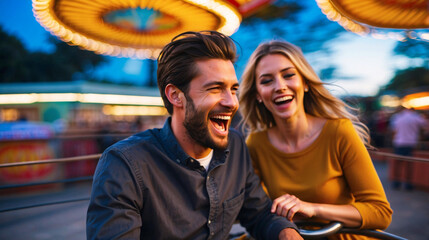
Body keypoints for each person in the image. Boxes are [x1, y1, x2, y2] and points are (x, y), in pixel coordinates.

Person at [87, 31, 302, 240]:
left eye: (233, 89)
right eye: (216, 89)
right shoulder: (124, 164)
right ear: (176, 96)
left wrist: (286, 232)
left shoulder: (235, 145)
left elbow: (258, 213)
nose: (231, 102)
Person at [238, 40, 392, 239]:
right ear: (258, 94)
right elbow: (255, 209)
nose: (280, 86)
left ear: (306, 83)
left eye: (289, 75)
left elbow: (380, 213)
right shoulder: (256, 144)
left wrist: (312, 209)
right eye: (267, 81)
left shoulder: (338, 131)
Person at [390, 106, 428, 190]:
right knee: (409, 165)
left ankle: (396, 183)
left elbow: (393, 130)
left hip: (399, 143)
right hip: (410, 143)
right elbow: (425, 125)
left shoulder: (397, 117)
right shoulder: (416, 117)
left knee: (397, 164)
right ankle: (408, 184)